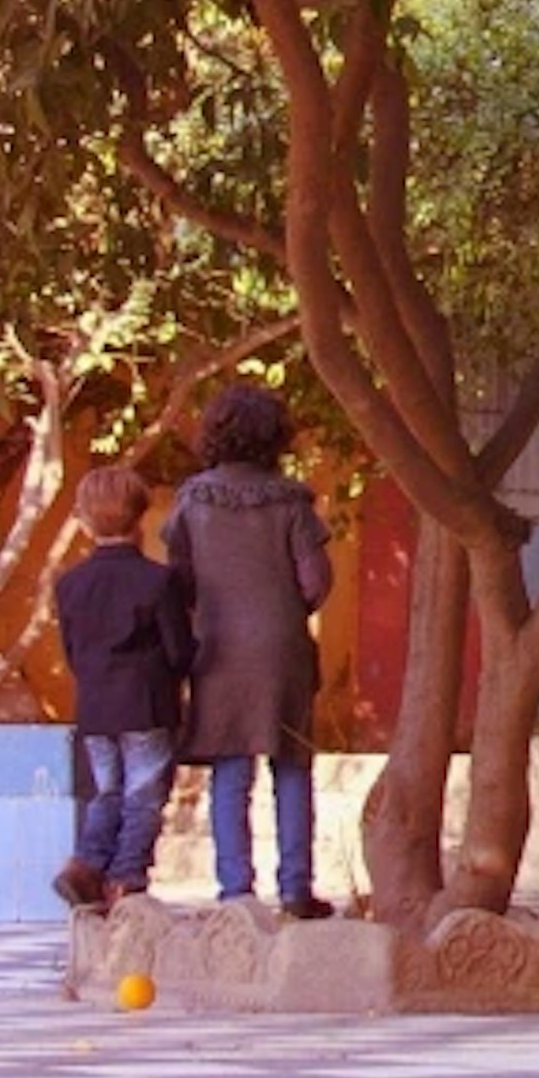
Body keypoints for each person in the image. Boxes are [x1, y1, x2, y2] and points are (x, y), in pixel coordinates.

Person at [165, 384, 337, 919]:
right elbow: (315, 581)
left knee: (230, 767)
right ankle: (295, 888)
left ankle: (236, 890)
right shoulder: (292, 501)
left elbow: (179, 580)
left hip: (217, 647)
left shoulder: (193, 501)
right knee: (291, 765)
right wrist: (283, 609)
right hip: (283, 648)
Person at [51, 465, 193, 910]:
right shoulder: (158, 580)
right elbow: (179, 652)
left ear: (85, 521)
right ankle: (128, 878)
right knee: (144, 797)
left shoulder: (70, 584)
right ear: (139, 517)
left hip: (95, 707)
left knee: (107, 791)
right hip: (146, 705)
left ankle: (85, 865)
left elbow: (73, 652)